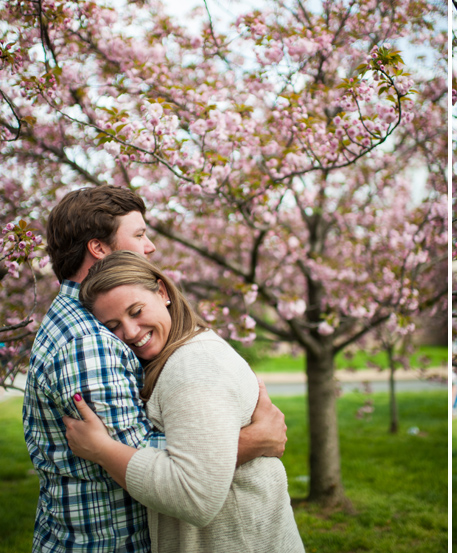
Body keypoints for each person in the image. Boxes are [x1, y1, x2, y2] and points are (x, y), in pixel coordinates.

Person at [22, 186, 285, 552]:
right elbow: (145, 457)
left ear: (160, 293)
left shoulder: (87, 323)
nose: (151, 248)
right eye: (140, 234)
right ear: (98, 249)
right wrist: (252, 439)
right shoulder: (89, 341)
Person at [64, 251, 305, 552]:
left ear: (162, 291)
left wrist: (102, 450)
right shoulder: (179, 355)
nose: (130, 332)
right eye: (113, 326)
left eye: (136, 311)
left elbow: (193, 495)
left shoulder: (194, 366)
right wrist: (253, 440)